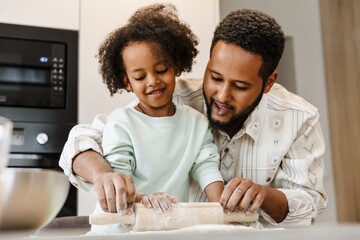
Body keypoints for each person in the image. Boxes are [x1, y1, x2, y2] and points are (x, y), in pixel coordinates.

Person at [60, 8, 327, 227]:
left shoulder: (299, 118)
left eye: (240, 86)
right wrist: (105, 176)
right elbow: (84, 138)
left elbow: (310, 204)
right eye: (215, 77)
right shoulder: (171, 96)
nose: (221, 95)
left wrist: (264, 195)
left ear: (268, 83)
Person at [75, 3, 224, 233]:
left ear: (176, 67)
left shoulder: (196, 123)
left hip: (165, 229)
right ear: (127, 82)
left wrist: (226, 208)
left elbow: (207, 169)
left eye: (161, 70)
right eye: (140, 76)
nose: (152, 81)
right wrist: (144, 200)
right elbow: (119, 183)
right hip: (118, 231)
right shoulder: (121, 123)